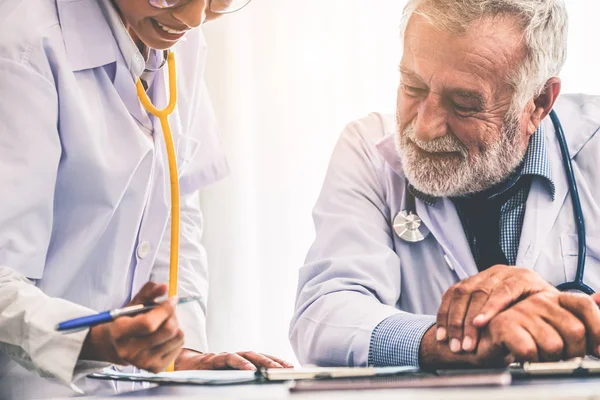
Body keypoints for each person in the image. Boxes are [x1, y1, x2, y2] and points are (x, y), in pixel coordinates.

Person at [0, 0, 290, 397]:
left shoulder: (177, 41)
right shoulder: (21, 47)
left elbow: (176, 213)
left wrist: (177, 351)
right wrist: (90, 338)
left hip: (137, 387)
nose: (194, 17)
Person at [290, 0, 600, 370]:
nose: (424, 127)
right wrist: (458, 341)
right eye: (412, 86)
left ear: (538, 103)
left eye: (464, 103)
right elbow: (323, 315)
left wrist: (565, 319)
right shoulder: (369, 149)